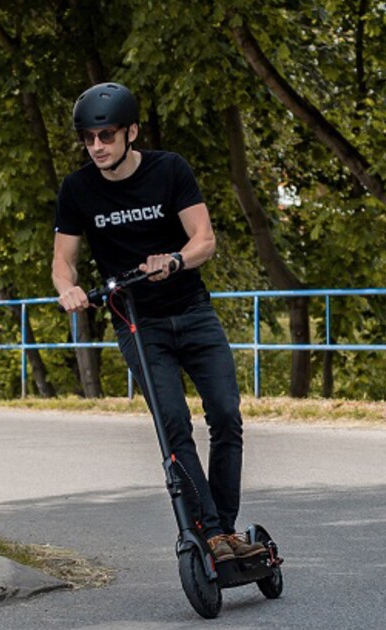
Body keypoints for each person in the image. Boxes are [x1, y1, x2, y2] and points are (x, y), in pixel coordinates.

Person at [52, 82, 263, 562]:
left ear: (131, 132)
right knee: (174, 426)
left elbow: (204, 239)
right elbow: (63, 261)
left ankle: (226, 529)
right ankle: (211, 533)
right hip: (138, 324)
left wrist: (175, 259)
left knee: (227, 417)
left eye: (106, 136)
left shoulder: (170, 170)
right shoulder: (77, 189)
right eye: (88, 138)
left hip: (192, 312)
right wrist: (68, 288)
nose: (97, 147)